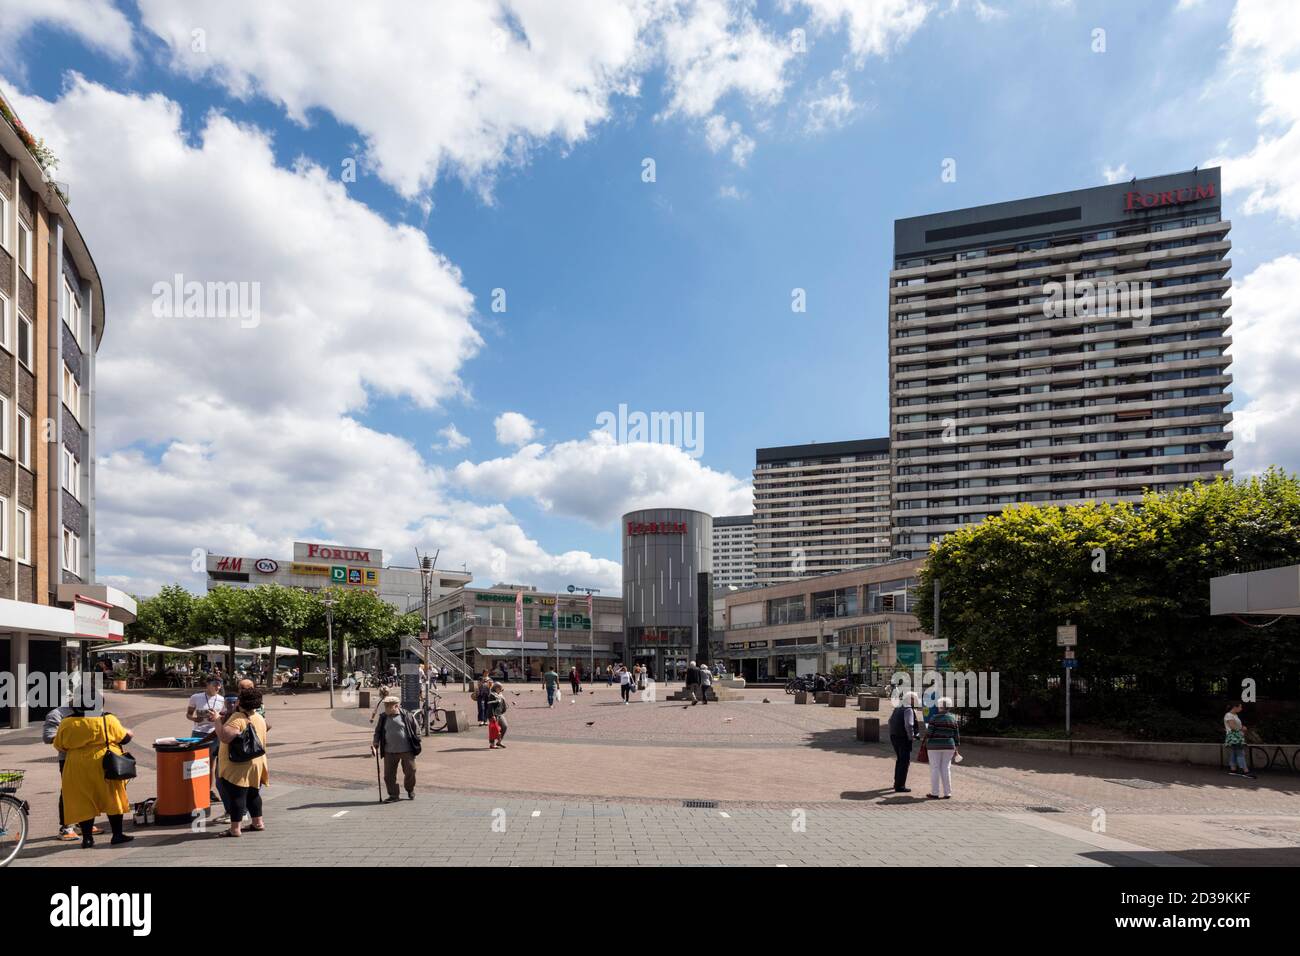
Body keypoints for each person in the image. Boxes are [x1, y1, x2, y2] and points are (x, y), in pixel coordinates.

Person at [53, 703, 135, 848]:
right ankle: (117, 835)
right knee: (112, 797)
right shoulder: (108, 719)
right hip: (105, 763)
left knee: (83, 800)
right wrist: (129, 733)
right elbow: (123, 738)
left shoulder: (67, 722)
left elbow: (59, 745)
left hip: (77, 765)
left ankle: (87, 839)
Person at [212, 687, 270, 836]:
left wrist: (217, 721)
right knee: (253, 793)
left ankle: (235, 829)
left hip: (239, 764)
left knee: (237, 795)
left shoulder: (238, 718)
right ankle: (258, 823)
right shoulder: (259, 717)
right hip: (257, 761)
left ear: (240, 701)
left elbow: (225, 737)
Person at [44, 693, 95, 842]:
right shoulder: (57, 714)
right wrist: (73, 737)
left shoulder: (91, 710)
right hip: (68, 759)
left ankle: (83, 823)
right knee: (69, 790)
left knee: (89, 789)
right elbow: (48, 737)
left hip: (90, 758)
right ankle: (66, 827)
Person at [372, 696, 421, 801]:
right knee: (388, 775)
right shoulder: (383, 717)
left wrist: (417, 739)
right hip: (389, 751)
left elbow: (416, 729)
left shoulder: (407, 715)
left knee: (411, 771)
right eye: (385, 706)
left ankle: (410, 789)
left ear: (396, 706)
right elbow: (378, 731)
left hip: (407, 750)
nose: (386, 708)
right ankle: (394, 795)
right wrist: (376, 741)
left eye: (389, 706)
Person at [924, 697, 960, 800]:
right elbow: (956, 735)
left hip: (934, 746)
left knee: (935, 768)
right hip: (949, 746)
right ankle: (947, 792)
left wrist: (927, 742)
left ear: (940, 706)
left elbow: (929, 733)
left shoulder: (934, 718)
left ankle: (935, 793)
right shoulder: (953, 719)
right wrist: (956, 747)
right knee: (946, 768)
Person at [888, 691, 922, 793]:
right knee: (904, 762)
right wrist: (911, 736)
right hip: (903, 737)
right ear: (911, 699)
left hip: (894, 736)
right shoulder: (908, 709)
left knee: (899, 760)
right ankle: (900, 786)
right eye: (915, 700)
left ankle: (896, 782)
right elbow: (909, 724)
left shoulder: (898, 707)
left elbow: (890, 721)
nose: (916, 702)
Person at [1224, 701, 1255, 778]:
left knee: (1234, 752)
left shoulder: (1234, 715)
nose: (1241, 708)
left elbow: (1234, 726)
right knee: (1240, 752)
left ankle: (1233, 769)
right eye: (1240, 707)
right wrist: (1242, 728)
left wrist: (1241, 729)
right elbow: (1232, 726)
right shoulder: (1229, 715)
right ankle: (1245, 771)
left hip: (1235, 736)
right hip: (1234, 736)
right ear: (1235, 707)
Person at [487, 682, 509, 749]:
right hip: (494, 714)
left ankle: (499, 741)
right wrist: (492, 715)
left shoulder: (500, 694)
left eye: (501, 688)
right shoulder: (492, 695)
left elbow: (502, 702)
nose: (501, 689)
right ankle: (492, 744)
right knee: (493, 729)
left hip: (500, 714)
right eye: (499, 688)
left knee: (505, 726)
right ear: (495, 688)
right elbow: (490, 706)